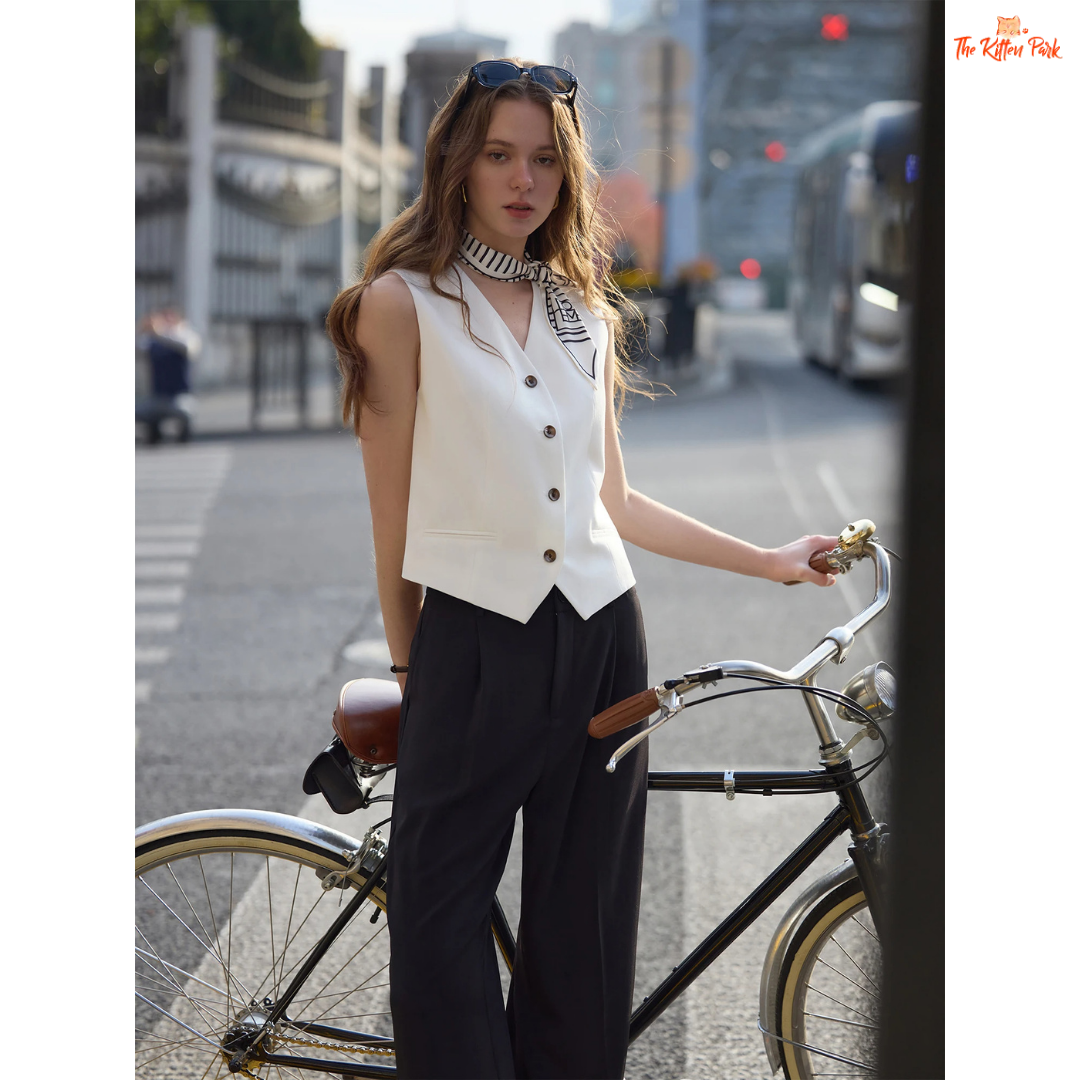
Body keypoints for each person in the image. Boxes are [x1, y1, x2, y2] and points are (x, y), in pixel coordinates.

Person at [325, 59, 836, 1080]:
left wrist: (772, 563)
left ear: (568, 177)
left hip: (606, 642)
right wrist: (414, 663)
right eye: (501, 156)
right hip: (472, 643)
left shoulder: (583, 312)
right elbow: (391, 522)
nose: (524, 180)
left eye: (546, 161)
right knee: (436, 923)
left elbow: (619, 504)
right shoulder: (400, 304)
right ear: (458, 168)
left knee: (586, 932)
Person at [136, 307, 200, 443]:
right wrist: (141, 330)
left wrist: (159, 334)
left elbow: (188, 348)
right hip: (158, 396)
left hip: (180, 396)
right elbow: (137, 350)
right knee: (139, 411)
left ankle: (183, 434)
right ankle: (154, 433)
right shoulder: (152, 341)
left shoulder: (186, 336)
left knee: (184, 412)